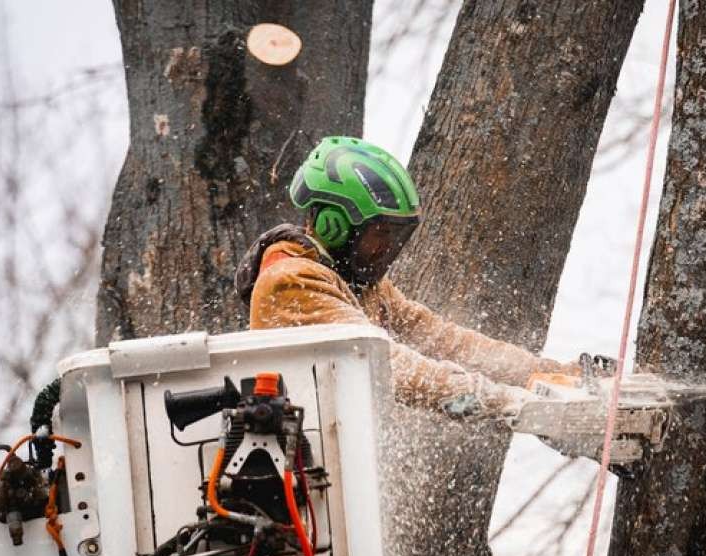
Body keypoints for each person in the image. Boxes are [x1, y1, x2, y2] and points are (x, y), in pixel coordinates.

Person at [235, 136, 576, 416]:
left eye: (397, 237)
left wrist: (546, 373)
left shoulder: (357, 283)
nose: (387, 248)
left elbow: (440, 338)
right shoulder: (291, 281)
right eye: (380, 233)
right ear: (334, 225)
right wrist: (507, 403)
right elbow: (382, 362)